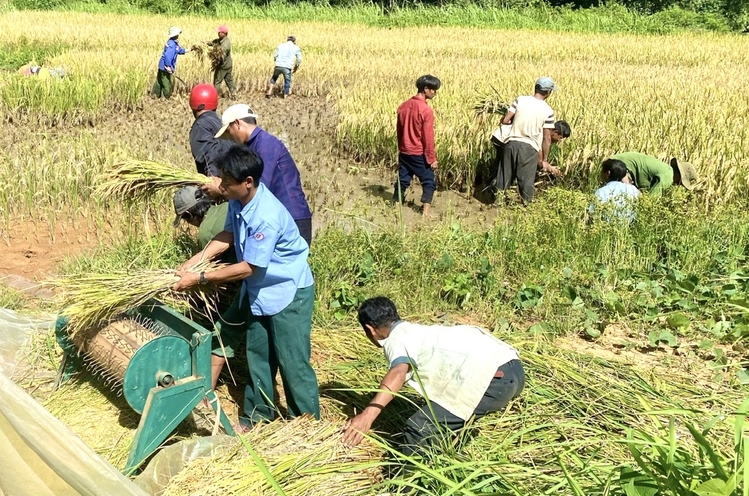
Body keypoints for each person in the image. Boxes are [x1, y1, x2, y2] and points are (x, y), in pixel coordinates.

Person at [173, 146, 320, 429]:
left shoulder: (266, 215)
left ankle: (307, 426)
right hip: (260, 291)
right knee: (259, 356)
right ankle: (257, 418)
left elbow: (249, 267)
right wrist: (196, 260)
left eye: (227, 182)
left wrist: (200, 278)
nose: (221, 187)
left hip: (287, 292)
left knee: (293, 364)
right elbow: (229, 234)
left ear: (248, 182)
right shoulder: (238, 201)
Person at [342, 296, 524, 455]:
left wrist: (367, 417)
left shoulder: (396, 339)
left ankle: (407, 492)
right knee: (443, 417)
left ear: (370, 329)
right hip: (514, 368)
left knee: (419, 428)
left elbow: (398, 372)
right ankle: (449, 453)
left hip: (493, 380)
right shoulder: (420, 332)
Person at [214, 103, 313, 245]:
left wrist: (219, 189)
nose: (230, 138)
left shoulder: (266, 146)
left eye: (229, 132)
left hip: (292, 218)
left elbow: (257, 188)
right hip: (276, 221)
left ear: (237, 123)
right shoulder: (253, 146)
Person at [494, 77, 564, 204]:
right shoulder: (548, 111)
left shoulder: (520, 100)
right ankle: (526, 209)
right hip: (529, 149)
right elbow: (547, 137)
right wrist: (544, 160)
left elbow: (505, 120)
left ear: (536, 88)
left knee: (503, 180)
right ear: (548, 92)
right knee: (526, 184)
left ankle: (496, 207)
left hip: (511, 144)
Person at [395, 75, 441, 217]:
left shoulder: (403, 106)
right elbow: (428, 137)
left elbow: (399, 131)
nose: (435, 93)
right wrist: (432, 159)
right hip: (419, 153)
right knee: (429, 182)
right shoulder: (426, 110)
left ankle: (396, 205)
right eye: (433, 90)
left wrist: (402, 147)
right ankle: (425, 213)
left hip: (404, 151)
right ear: (426, 89)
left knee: (402, 179)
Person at [611, 152, 698, 197]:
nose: (677, 186)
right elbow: (651, 200)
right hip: (619, 166)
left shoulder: (666, 170)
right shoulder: (668, 177)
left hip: (615, 162)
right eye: (681, 184)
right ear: (679, 177)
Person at [592, 158, 641, 223]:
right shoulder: (633, 189)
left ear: (608, 173)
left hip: (606, 228)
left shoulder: (601, 192)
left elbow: (592, 212)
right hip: (629, 227)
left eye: (602, 171)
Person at [152, 26, 186, 99]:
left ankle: (155, 95)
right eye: (177, 34)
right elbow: (167, 56)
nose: (178, 35)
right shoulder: (172, 44)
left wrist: (189, 50)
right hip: (165, 67)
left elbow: (179, 50)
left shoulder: (172, 42)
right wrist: (168, 67)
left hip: (161, 65)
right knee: (166, 83)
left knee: (159, 81)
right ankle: (165, 97)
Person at [208, 25, 236, 99]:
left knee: (217, 81)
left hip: (223, 66)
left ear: (224, 33)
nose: (218, 33)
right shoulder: (220, 40)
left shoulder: (226, 44)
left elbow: (220, 54)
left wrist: (212, 54)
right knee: (229, 80)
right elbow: (214, 42)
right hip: (228, 65)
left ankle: (215, 96)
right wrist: (207, 43)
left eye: (219, 32)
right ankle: (234, 94)